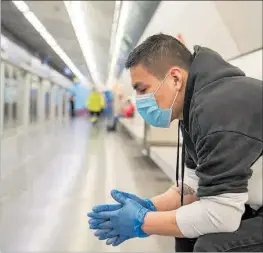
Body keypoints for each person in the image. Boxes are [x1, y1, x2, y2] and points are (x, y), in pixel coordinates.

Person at [87, 34, 263, 251]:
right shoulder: (191, 111)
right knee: (186, 234)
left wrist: (143, 221)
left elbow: (222, 215)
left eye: (142, 89)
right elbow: (192, 186)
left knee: (212, 246)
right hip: (253, 202)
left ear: (175, 79)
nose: (140, 100)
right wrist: (151, 206)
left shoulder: (219, 109)